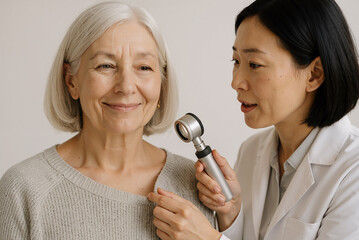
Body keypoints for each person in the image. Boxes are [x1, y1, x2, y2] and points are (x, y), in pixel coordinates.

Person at [0, 2, 217, 239]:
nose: (125, 86)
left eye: (144, 67)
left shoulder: (198, 185)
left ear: (162, 85)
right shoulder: (24, 188)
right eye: (106, 66)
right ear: (71, 81)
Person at [147, 0, 359, 239]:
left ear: (314, 74)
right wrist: (231, 213)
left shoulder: (353, 170)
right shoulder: (251, 152)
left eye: (255, 64)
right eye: (236, 61)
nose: (236, 82)